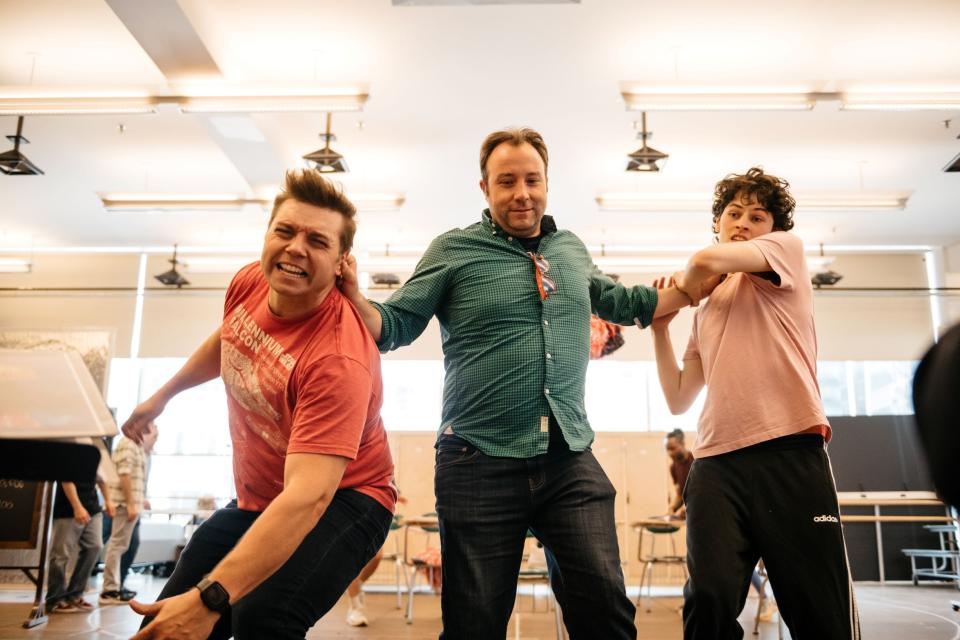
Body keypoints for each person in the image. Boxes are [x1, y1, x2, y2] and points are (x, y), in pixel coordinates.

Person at [339, 127, 691, 639]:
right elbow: (393, 326)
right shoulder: (454, 251)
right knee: (475, 623)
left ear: (547, 183)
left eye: (532, 179)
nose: (521, 192)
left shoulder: (569, 250)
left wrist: (693, 285)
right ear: (485, 188)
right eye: (507, 181)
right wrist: (353, 293)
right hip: (476, 459)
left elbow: (625, 303)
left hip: (568, 455)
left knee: (606, 609)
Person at [120, 169, 396, 640]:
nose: (295, 249)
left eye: (317, 241)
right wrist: (160, 397)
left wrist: (213, 599)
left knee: (262, 615)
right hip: (265, 495)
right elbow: (230, 340)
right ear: (267, 236)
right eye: (285, 231)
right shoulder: (249, 282)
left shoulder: (338, 359)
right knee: (167, 618)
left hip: (348, 499)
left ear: (341, 265)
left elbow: (308, 498)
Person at [650, 167, 859, 638]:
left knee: (817, 608)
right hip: (717, 466)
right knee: (707, 603)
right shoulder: (709, 306)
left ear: (773, 231)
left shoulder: (786, 253)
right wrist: (662, 328)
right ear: (719, 221)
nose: (742, 221)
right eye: (733, 213)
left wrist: (682, 289)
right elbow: (679, 397)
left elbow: (704, 259)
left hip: (789, 454)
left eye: (757, 216)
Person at [100, 422, 157, 605]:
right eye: (152, 425)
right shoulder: (127, 443)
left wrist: (140, 500)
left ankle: (113, 588)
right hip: (124, 504)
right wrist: (132, 503)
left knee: (120, 546)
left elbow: (133, 478)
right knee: (117, 546)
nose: (153, 428)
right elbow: (124, 475)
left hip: (130, 504)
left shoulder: (137, 446)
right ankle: (109, 590)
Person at [46, 477, 113, 613]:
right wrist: (77, 507)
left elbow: (102, 479)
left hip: (93, 508)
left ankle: (75, 595)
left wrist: (108, 500)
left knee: (95, 547)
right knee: (60, 555)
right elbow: (66, 479)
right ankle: (55, 599)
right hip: (67, 508)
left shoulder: (97, 455)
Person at [664, 429, 693, 519]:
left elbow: (702, 492)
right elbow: (679, 494)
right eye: (667, 450)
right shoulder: (673, 468)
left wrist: (685, 508)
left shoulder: (696, 461)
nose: (670, 453)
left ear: (682, 444)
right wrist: (672, 508)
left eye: (672, 448)